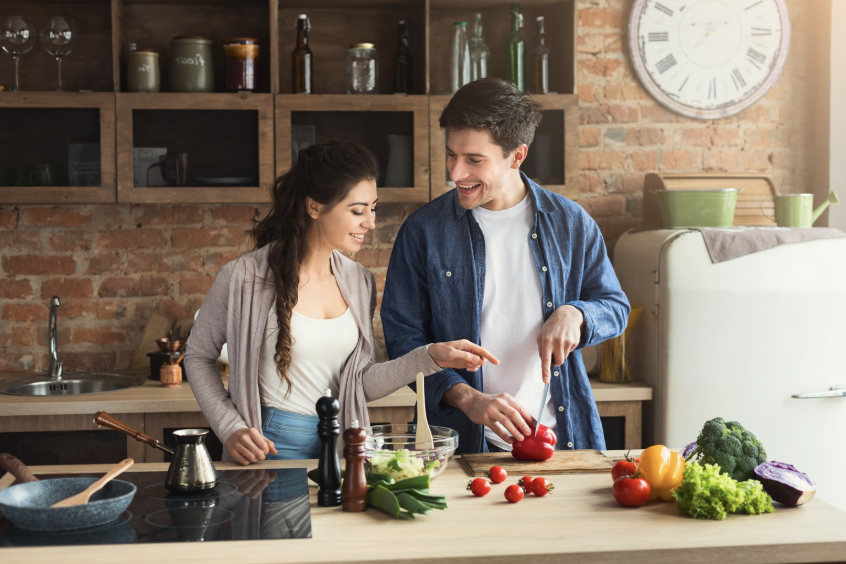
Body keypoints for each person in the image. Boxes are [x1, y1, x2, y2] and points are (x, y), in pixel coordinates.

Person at [184, 140, 497, 465]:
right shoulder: (244, 277)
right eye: (358, 210)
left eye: (373, 208)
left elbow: (359, 383)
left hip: (345, 445)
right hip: (272, 445)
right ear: (315, 207)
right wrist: (230, 427)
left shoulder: (358, 281)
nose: (370, 222)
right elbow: (198, 356)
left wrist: (429, 357)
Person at [381, 78, 630, 455]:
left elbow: (615, 307)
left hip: (560, 440)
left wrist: (576, 314)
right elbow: (403, 339)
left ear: (517, 156)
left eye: (474, 160)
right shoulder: (423, 231)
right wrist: (466, 397)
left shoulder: (571, 223)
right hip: (460, 446)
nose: (455, 172)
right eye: (451, 154)